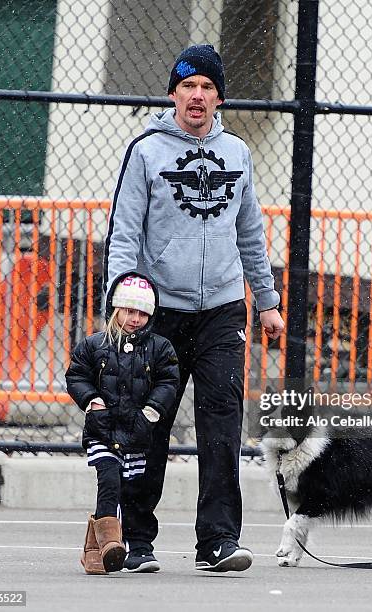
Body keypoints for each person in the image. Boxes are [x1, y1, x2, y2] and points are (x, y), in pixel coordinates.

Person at [103, 44, 285, 573]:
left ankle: (219, 542)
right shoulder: (146, 151)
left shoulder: (238, 153)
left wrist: (267, 300)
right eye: (188, 86)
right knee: (148, 424)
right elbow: (124, 232)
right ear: (173, 95)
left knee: (223, 425)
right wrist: (121, 298)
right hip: (160, 311)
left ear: (219, 97)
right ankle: (137, 540)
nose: (197, 96)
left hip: (224, 310)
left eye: (207, 87)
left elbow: (250, 231)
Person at [65, 272, 179, 574]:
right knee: (110, 479)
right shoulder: (94, 345)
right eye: (130, 311)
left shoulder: (160, 347)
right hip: (102, 430)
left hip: (137, 433)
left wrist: (151, 412)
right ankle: (110, 544)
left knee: (131, 489)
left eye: (143, 313)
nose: (136, 318)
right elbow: (76, 376)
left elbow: (168, 382)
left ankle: (95, 549)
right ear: (116, 309)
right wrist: (93, 401)